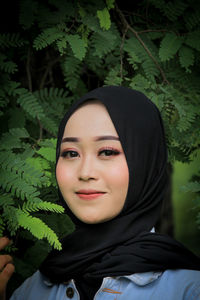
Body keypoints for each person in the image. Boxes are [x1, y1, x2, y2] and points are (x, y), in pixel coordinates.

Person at [1, 86, 200, 300]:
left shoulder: (188, 290)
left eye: (107, 151)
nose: (85, 172)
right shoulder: (31, 291)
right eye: (71, 153)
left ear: (145, 163)